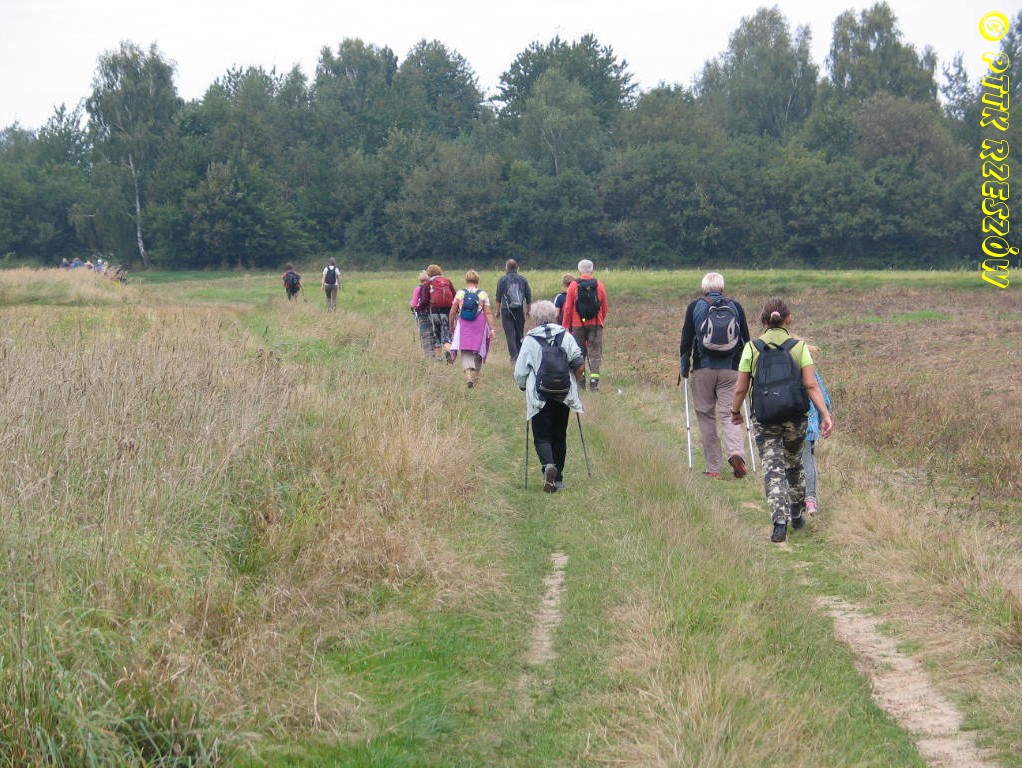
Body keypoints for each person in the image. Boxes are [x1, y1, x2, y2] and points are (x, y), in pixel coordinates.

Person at [730, 298, 834, 543]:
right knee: (794, 464)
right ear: (789, 319)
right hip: (795, 417)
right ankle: (797, 515)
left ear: (763, 321)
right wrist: (825, 414)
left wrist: (735, 411)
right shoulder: (799, 347)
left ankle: (779, 523)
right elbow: (811, 384)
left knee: (772, 468)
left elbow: (741, 388)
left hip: (765, 417)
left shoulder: (752, 348)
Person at [679, 272, 751, 479]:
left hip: (703, 369)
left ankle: (713, 468)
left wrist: (684, 368)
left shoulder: (695, 306)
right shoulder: (735, 307)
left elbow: (686, 341)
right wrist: (746, 369)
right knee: (730, 413)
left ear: (704, 288)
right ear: (722, 288)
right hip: (731, 369)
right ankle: (736, 453)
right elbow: (746, 340)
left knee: (706, 416)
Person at [514, 300, 586, 493]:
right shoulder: (566, 335)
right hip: (563, 394)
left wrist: (523, 387)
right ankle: (558, 479)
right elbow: (579, 364)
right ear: (554, 315)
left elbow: (520, 373)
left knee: (542, 436)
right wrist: (576, 382)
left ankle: (548, 466)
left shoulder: (530, 340)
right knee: (559, 435)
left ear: (534, 318)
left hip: (539, 396)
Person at [561, 259, 608, 392]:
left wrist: (566, 326)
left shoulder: (573, 285)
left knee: (579, 353)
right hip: (596, 324)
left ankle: (581, 382)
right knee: (595, 353)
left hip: (577, 325)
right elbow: (604, 306)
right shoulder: (599, 285)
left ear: (579, 270)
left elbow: (568, 308)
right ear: (592, 270)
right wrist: (600, 320)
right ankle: (594, 383)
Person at [448, 270, 497, 388]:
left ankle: (468, 374)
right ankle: (476, 373)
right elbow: (488, 313)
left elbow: (452, 312)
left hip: (464, 324)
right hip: (479, 325)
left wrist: (451, 326)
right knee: (478, 349)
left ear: (466, 280)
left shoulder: (460, 293)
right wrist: (492, 329)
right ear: (477, 280)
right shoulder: (483, 294)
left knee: (466, 350)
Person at [802, 345, 832, 517]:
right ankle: (811, 500)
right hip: (807, 424)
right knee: (808, 460)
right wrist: (824, 418)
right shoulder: (809, 370)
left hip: (782, 423)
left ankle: (790, 500)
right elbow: (823, 398)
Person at [494, 259, 533, 362]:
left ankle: (514, 357)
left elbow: (498, 297)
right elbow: (528, 295)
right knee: (519, 333)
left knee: (510, 334)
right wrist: (528, 310)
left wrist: (497, 311)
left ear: (506, 268)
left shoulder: (502, 280)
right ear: (517, 268)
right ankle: (520, 356)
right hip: (519, 310)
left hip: (506, 310)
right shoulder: (523, 279)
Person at [422, 264, 455, 362]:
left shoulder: (428, 283)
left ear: (429, 273)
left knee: (436, 333)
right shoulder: (447, 281)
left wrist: (420, 308)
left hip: (434, 311)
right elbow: (454, 295)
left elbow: (425, 300)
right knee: (446, 333)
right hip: (447, 311)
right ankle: (448, 350)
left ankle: (438, 358)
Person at [410, 270, 433, 358]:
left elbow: (414, 304)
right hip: (433, 313)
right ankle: (435, 353)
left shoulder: (418, 288)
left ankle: (428, 355)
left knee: (425, 334)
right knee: (433, 333)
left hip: (422, 314)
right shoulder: (432, 287)